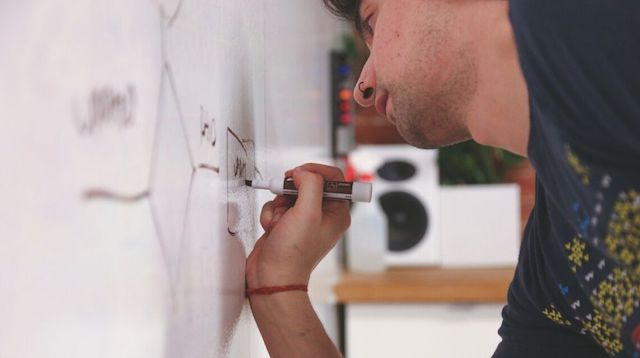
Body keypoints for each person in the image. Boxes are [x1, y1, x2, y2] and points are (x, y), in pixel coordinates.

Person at [246, 0, 640, 356]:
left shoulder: (595, 22)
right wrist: (279, 286)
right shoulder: (562, 253)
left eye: (372, 19)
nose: (364, 88)